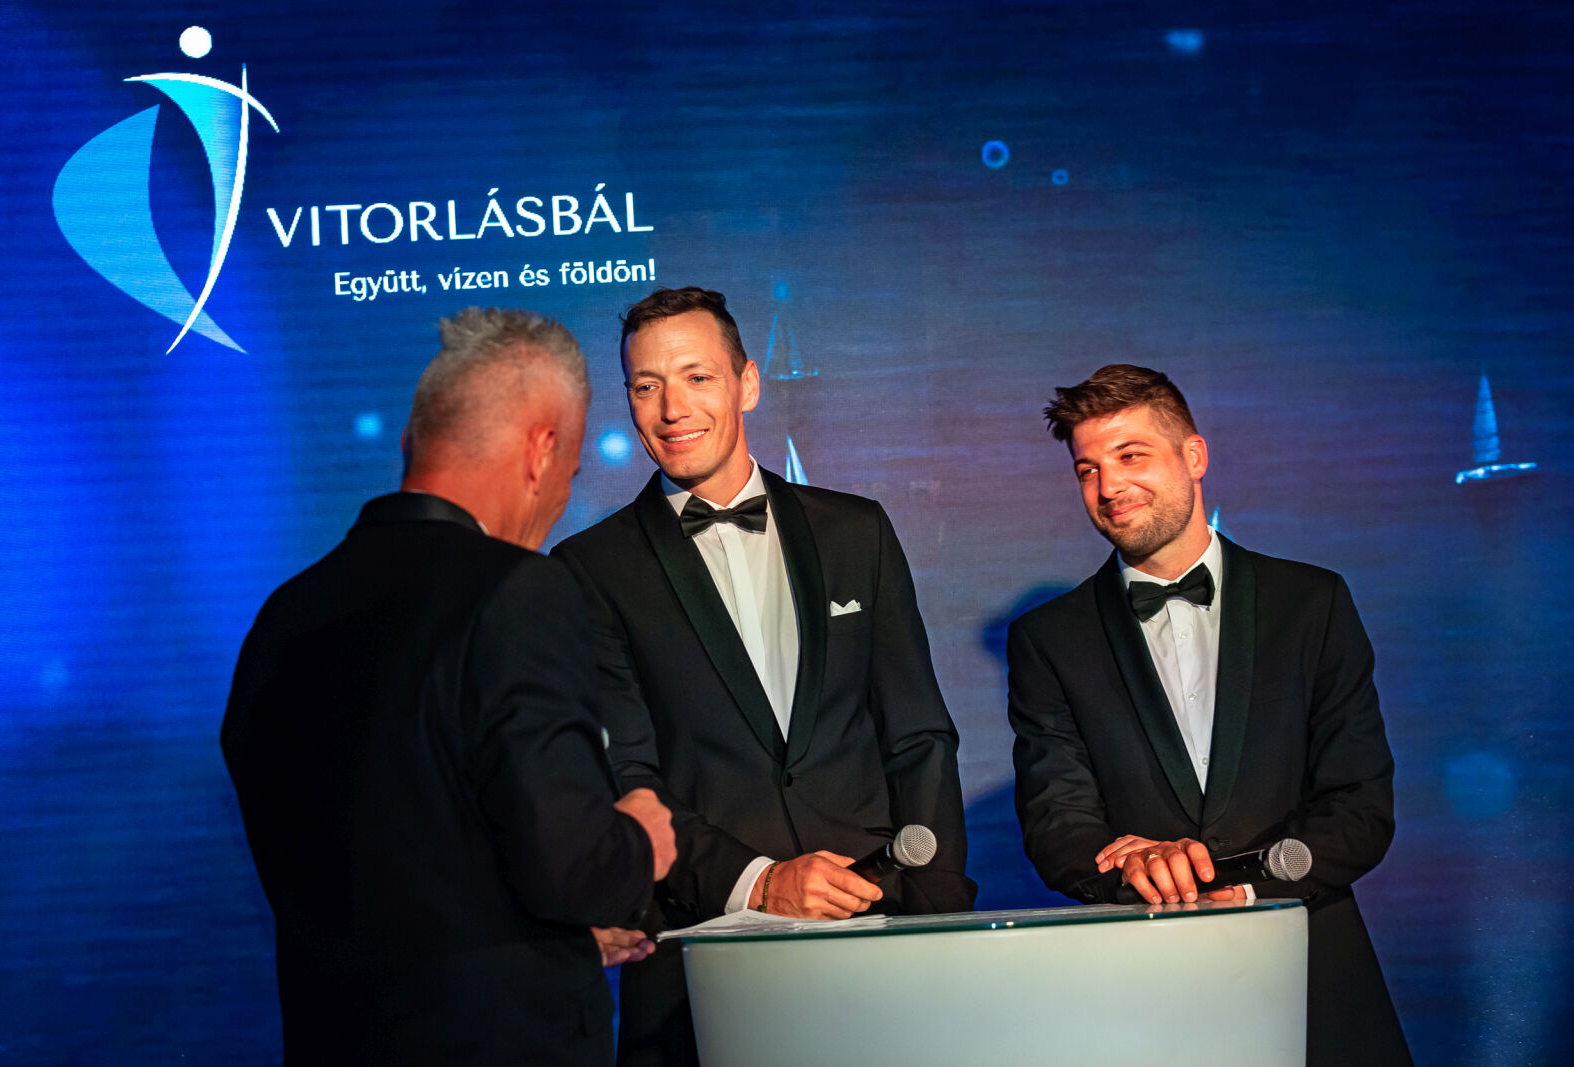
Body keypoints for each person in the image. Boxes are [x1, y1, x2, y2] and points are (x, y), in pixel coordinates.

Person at [221, 307, 676, 1067]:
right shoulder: (522, 591)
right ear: (542, 451)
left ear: (409, 442)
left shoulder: (284, 616)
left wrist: (537, 944)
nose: (559, 500)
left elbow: (394, 870)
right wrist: (638, 841)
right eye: (569, 476)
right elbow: (572, 866)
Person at [552, 287, 975, 1066]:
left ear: (747, 383)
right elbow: (628, 778)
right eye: (647, 385)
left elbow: (918, 736)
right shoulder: (589, 568)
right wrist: (760, 882)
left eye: (697, 377)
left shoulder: (856, 530)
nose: (673, 408)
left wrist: (938, 918)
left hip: (882, 936)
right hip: (702, 953)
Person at [1007, 364, 1410, 1065]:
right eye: (1087, 470)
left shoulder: (1311, 603)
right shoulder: (1048, 638)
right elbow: (1056, 823)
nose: (1109, 487)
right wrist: (1135, 868)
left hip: (1315, 971)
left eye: (1131, 456)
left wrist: (1250, 888)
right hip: (1142, 989)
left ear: (1194, 456)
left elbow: (1360, 806)